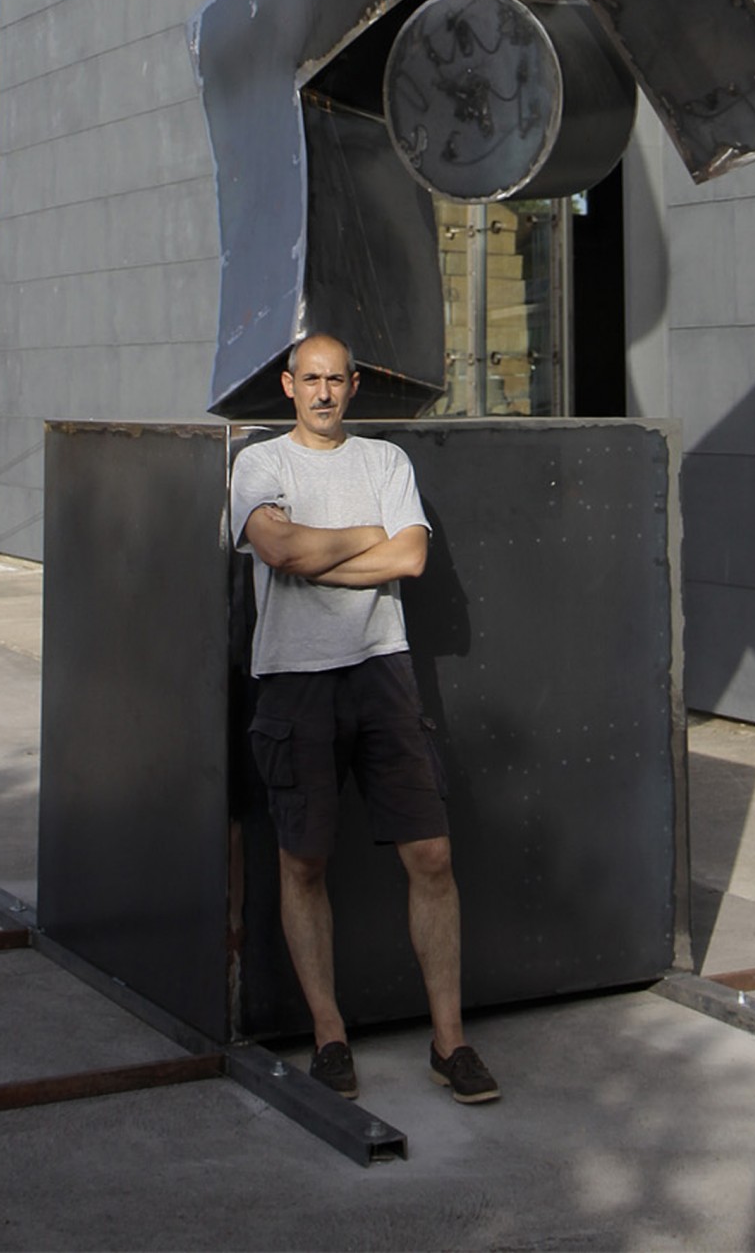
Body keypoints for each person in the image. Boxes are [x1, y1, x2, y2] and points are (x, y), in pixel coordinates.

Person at [229, 332, 501, 1107]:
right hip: (293, 679)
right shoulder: (260, 464)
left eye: (335, 379)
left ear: (353, 386)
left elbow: (409, 557)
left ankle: (450, 1043)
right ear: (289, 386)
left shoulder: (386, 462)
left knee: (432, 856)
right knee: (303, 863)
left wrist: (321, 557)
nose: (323, 392)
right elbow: (278, 549)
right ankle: (330, 1038)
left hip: (383, 670)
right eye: (310, 379)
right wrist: (361, 539)